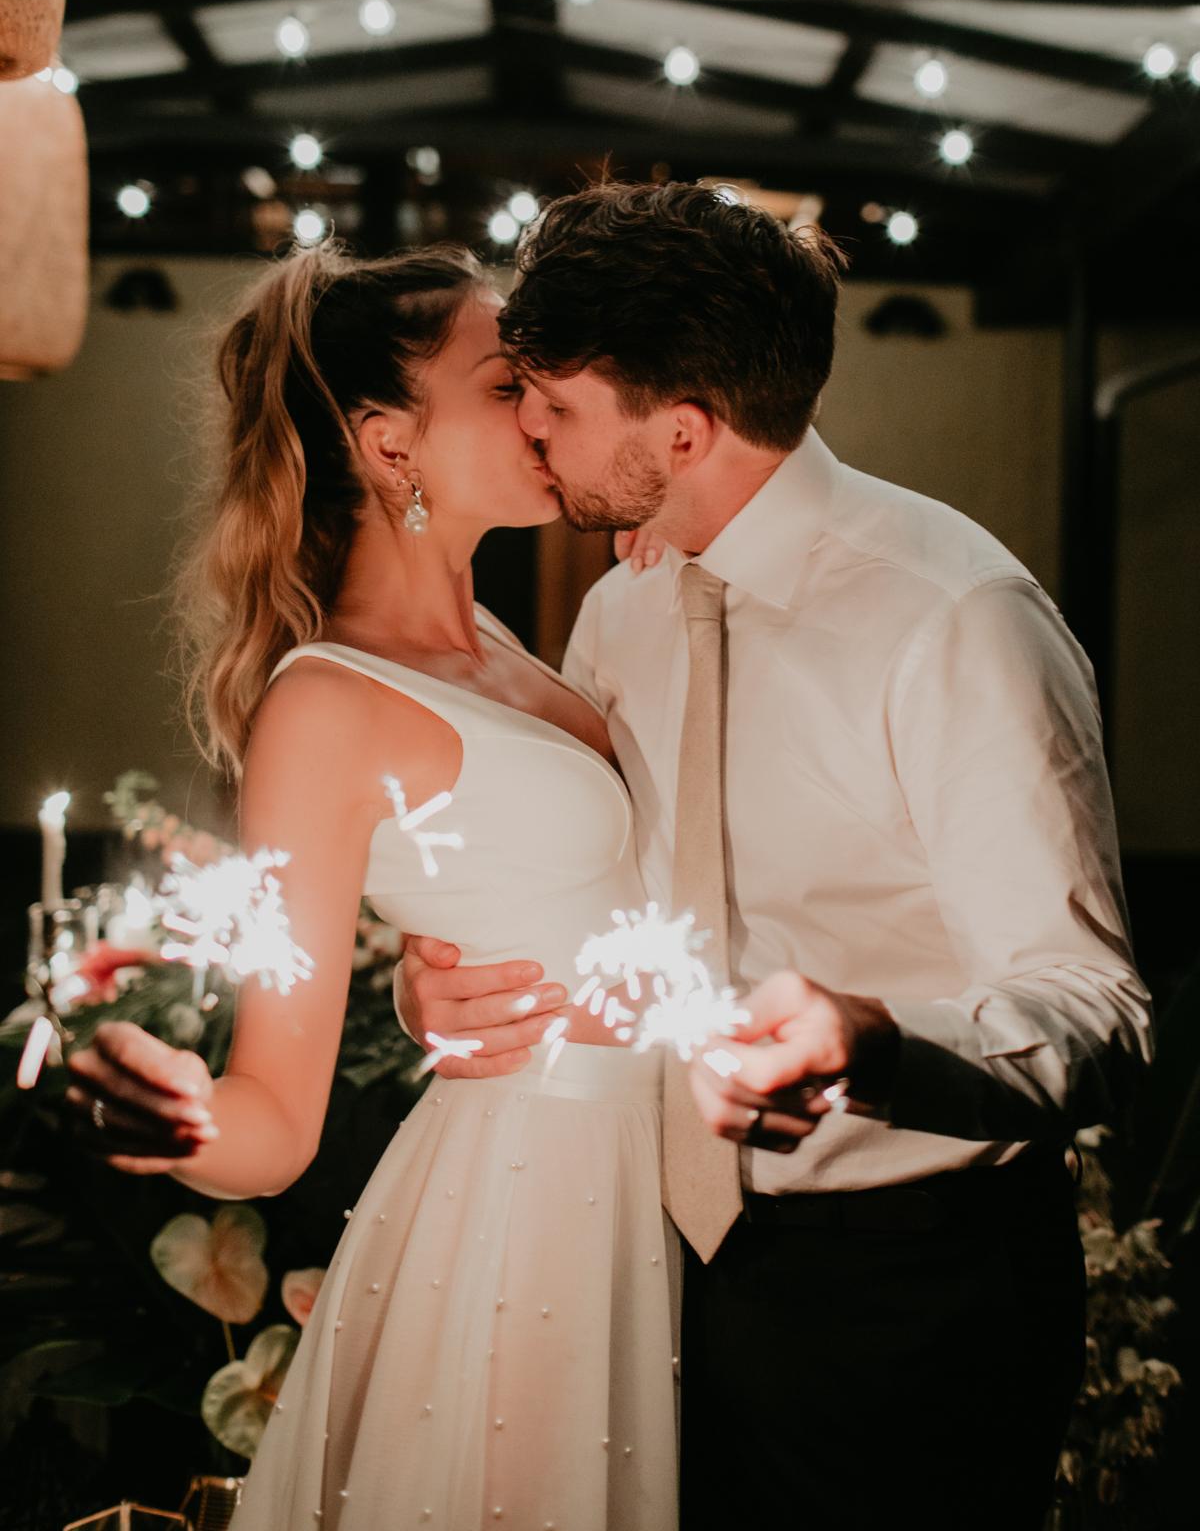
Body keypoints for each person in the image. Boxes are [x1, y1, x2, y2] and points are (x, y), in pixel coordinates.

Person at [398, 180, 1155, 1531]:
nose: (527, 430)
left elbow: (1096, 1013)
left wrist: (873, 1041)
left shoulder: (958, 621)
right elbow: (604, 891)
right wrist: (433, 978)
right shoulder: (624, 614)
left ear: (681, 431)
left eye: (557, 407)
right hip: (644, 1255)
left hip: (908, 1290)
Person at [62, 242, 682, 1530]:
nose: (546, 397)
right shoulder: (328, 709)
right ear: (391, 447)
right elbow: (274, 1123)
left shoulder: (507, 644)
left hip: (644, 1176)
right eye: (509, 377)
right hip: (523, 1214)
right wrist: (176, 1115)